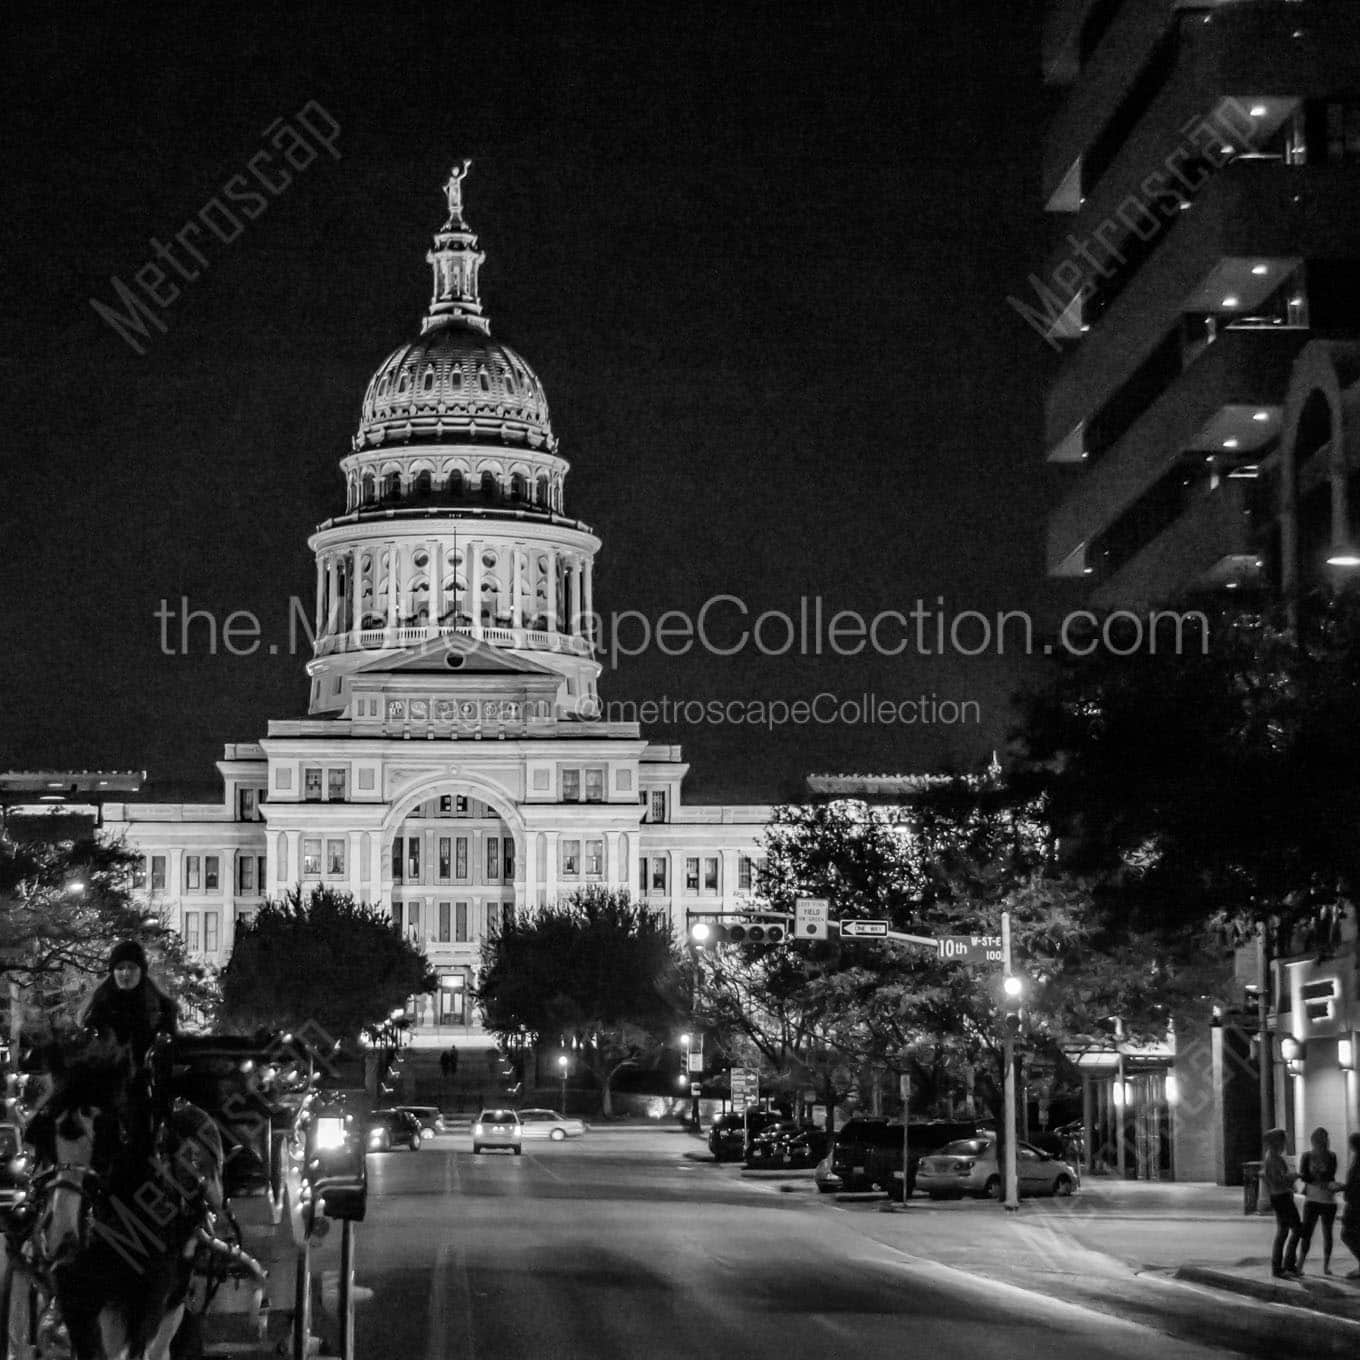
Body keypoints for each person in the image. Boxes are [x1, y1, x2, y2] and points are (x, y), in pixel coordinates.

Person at [80, 939, 179, 1064]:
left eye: (132, 968)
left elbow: (169, 1049)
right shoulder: (99, 1004)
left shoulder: (162, 1007)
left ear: (141, 971)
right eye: (120, 968)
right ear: (113, 972)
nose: (126, 973)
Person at [1296, 1126, 1341, 1275]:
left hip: (1327, 1200)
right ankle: (1301, 1263)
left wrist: (1323, 1181)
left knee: (1327, 1233)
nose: (1323, 1142)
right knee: (1307, 1232)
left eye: (1324, 1139)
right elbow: (1304, 1175)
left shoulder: (1331, 1156)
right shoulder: (1307, 1156)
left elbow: (1330, 1175)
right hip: (1313, 1198)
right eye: (1320, 1139)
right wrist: (1319, 1181)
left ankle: (1325, 1266)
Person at [1263, 1127, 1302, 1279]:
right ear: (1277, 1142)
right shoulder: (1272, 1158)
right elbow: (1277, 1181)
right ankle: (1285, 1266)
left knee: (1284, 1231)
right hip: (1281, 1197)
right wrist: (1292, 1177)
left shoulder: (1274, 1157)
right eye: (1284, 1140)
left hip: (1281, 1196)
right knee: (1296, 1229)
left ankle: (1283, 1266)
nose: (1286, 1143)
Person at [1341, 1131, 1360, 1279]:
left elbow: (1356, 1185)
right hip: (1353, 1202)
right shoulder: (1356, 1159)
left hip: (1356, 1204)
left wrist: (1344, 1188)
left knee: (1347, 1234)